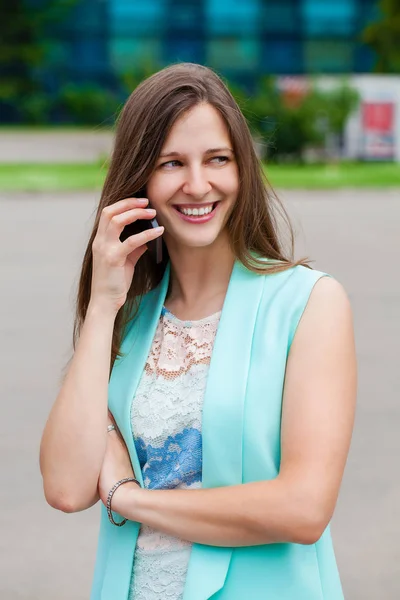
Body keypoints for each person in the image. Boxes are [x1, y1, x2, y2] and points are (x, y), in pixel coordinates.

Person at [39, 63, 357, 600]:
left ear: (242, 169)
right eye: (171, 163)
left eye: (217, 159)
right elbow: (67, 487)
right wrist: (101, 305)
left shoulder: (308, 304)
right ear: (140, 177)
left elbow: (304, 508)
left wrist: (129, 498)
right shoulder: (129, 315)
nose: (197, 184)